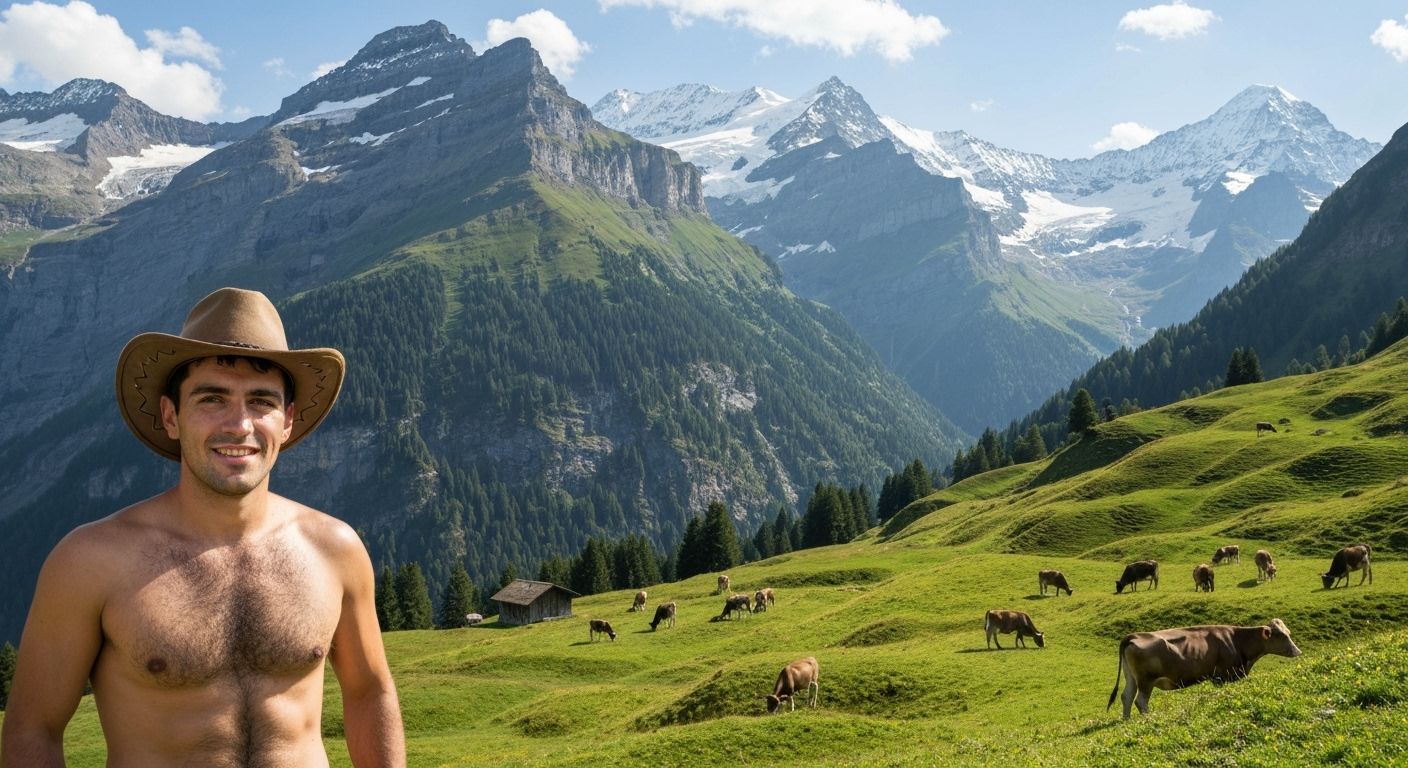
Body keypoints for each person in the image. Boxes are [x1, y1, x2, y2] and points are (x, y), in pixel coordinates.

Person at [0, 288, 405, 767]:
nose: (239, 425)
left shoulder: (334, 548)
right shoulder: (91, 560)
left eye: (261, 402)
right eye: (212, 399)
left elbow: (369, 692)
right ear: (171, 416)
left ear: (288, 420)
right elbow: (33, 728)